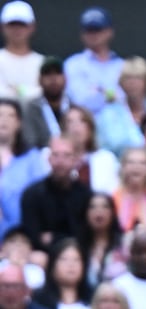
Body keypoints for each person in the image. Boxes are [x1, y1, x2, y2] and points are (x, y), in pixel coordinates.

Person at [19, 135, 90, 264]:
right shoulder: (32, 194)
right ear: (49, 159)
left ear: (75, 160)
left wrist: (54, 237)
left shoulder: (86, 195)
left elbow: (84, 235)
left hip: (80, 257)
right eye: (56, 155)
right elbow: (33, 236)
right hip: (43, 258)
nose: (60, 161)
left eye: (66, 155)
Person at [95, 55, 146, 156]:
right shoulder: (107, 114)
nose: (132, 83)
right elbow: (100, 150)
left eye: (138, 78)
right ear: (121, 83)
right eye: (128, 78)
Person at [63, 7, 123, 117]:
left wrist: (98, 92)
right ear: (82, 34)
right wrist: (110, 95)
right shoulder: (72, 64)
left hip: (117, 128)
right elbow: (80, 100)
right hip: (85, 129)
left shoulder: (121, 66)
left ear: (110, 31)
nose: (94, 34)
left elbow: (125, 100)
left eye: (98, 29)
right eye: (89, 30)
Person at [0, 97, 46, 238]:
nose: (4, 120)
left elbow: (40, 196)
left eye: (10, 115)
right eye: (0, 115)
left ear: (19, 122)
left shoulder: (32, 158)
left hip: (23, 234)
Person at [31, 237, 92, 309]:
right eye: (64, 259)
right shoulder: (40, 299)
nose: (71, 265)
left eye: (76, 260)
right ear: (53, 266)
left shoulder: (93, 297)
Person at [58, 104, 119, 194]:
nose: (76, 127)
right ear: (63, 129)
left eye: (82, 121)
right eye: (70, 122)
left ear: (90, 129)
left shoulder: (107, 159)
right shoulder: (52, 157)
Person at [78, 191, 127, 287]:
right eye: (93, 207)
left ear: (113, 213)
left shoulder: (125, 244)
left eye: (105, 207)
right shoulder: (78, 247)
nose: (99, 211)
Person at [22, 55, 69, 149]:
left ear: (65, 79)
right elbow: (29, 141)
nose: (53, 79)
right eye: (48, 74)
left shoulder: (73, 107)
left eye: (57, 73)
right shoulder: (32, 108)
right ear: (39, 80)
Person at [0, 1, 42, 103]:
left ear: (32, 27)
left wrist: (17, 91)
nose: (17, 29)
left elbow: (44, 95)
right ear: (2, 27)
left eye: (22, 24)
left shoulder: (42, 62)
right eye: (12, 24)